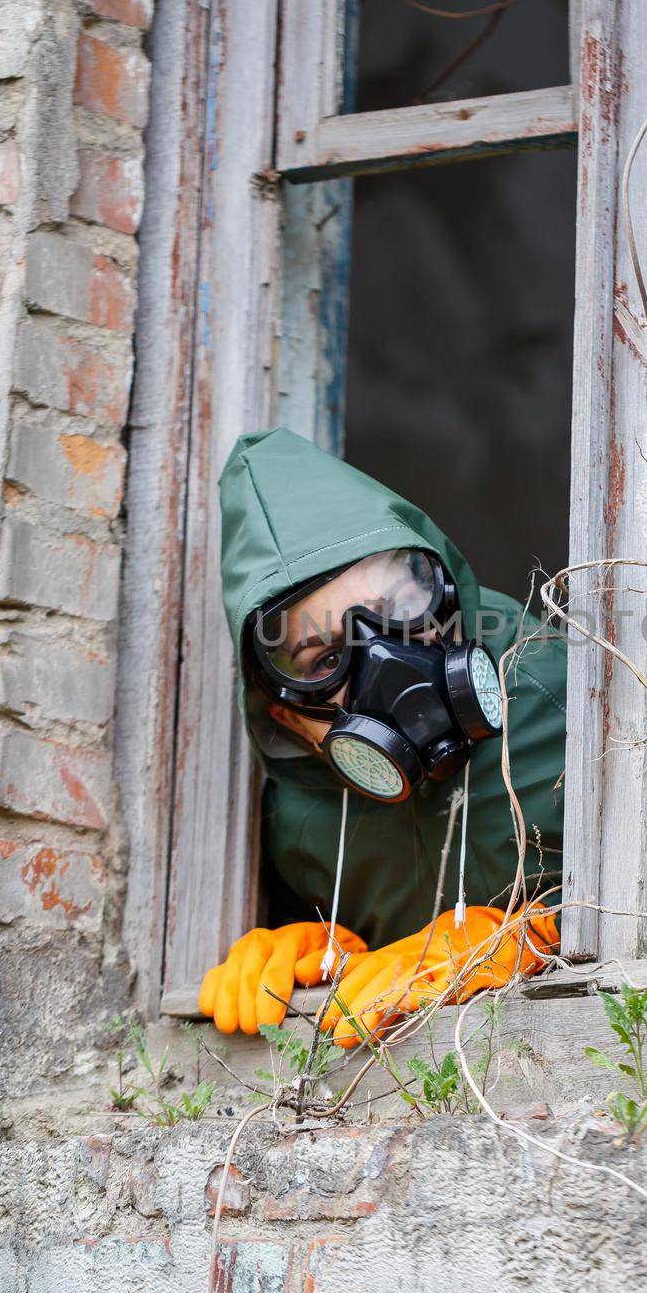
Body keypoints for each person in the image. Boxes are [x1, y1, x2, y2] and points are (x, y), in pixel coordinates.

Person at [197, 428, 567, 1037]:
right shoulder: (301, 826)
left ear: (444, 593)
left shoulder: (560, 698)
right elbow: (373, 970)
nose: (386, 662)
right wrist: (329, 949)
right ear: (289, 717)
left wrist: (540, 932)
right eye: (323, 660)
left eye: (399, 610)